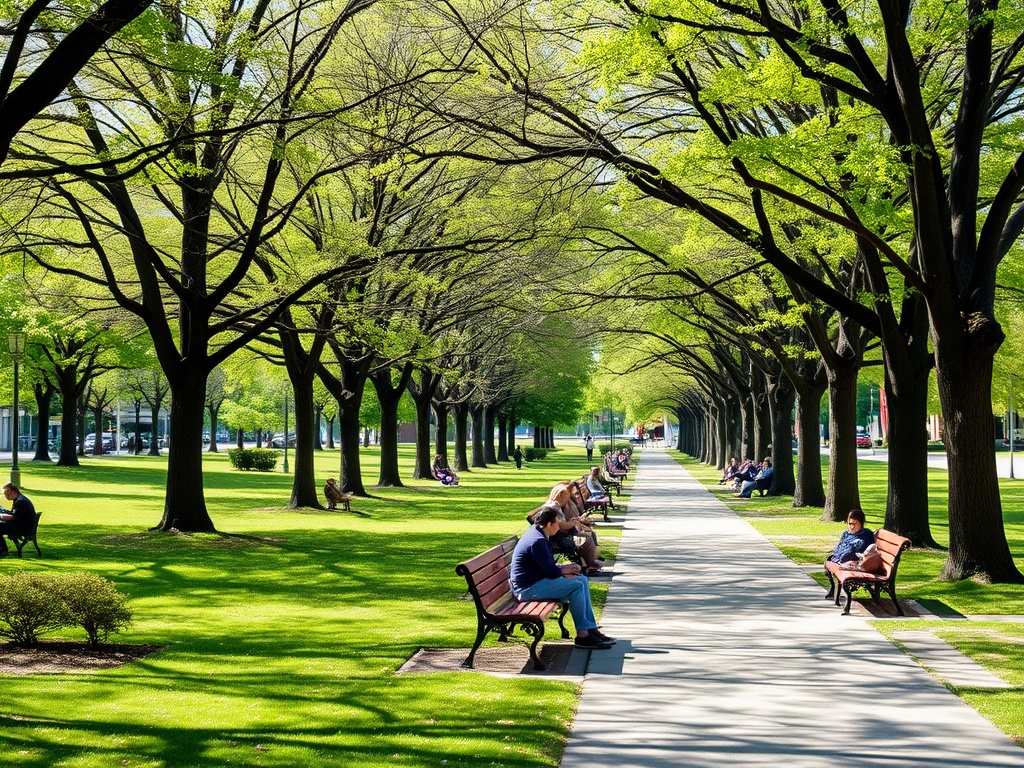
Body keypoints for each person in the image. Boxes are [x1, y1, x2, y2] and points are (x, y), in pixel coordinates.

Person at [510, 505, 615, 649]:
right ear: (548, 524)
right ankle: (582, 636)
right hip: (528, 590)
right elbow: (551, 572)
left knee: (582, 580)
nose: (559, 528)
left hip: (536, 582)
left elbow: (547, 568)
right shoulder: (537, 541)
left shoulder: (539, 534)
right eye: (557, 524)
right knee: (577, 585)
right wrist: (565, 569)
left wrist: (566, 568)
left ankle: (591, 628)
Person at [0, 483, 35, 558]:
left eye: (8, 494)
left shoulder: (20, 501)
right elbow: (15, 514)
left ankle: (3, 550)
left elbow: (14, 517)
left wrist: (1, 516)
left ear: (13, 491)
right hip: (23, 525)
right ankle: (3, 549)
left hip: (23, 528)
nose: (7, 497)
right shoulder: (20, 499)